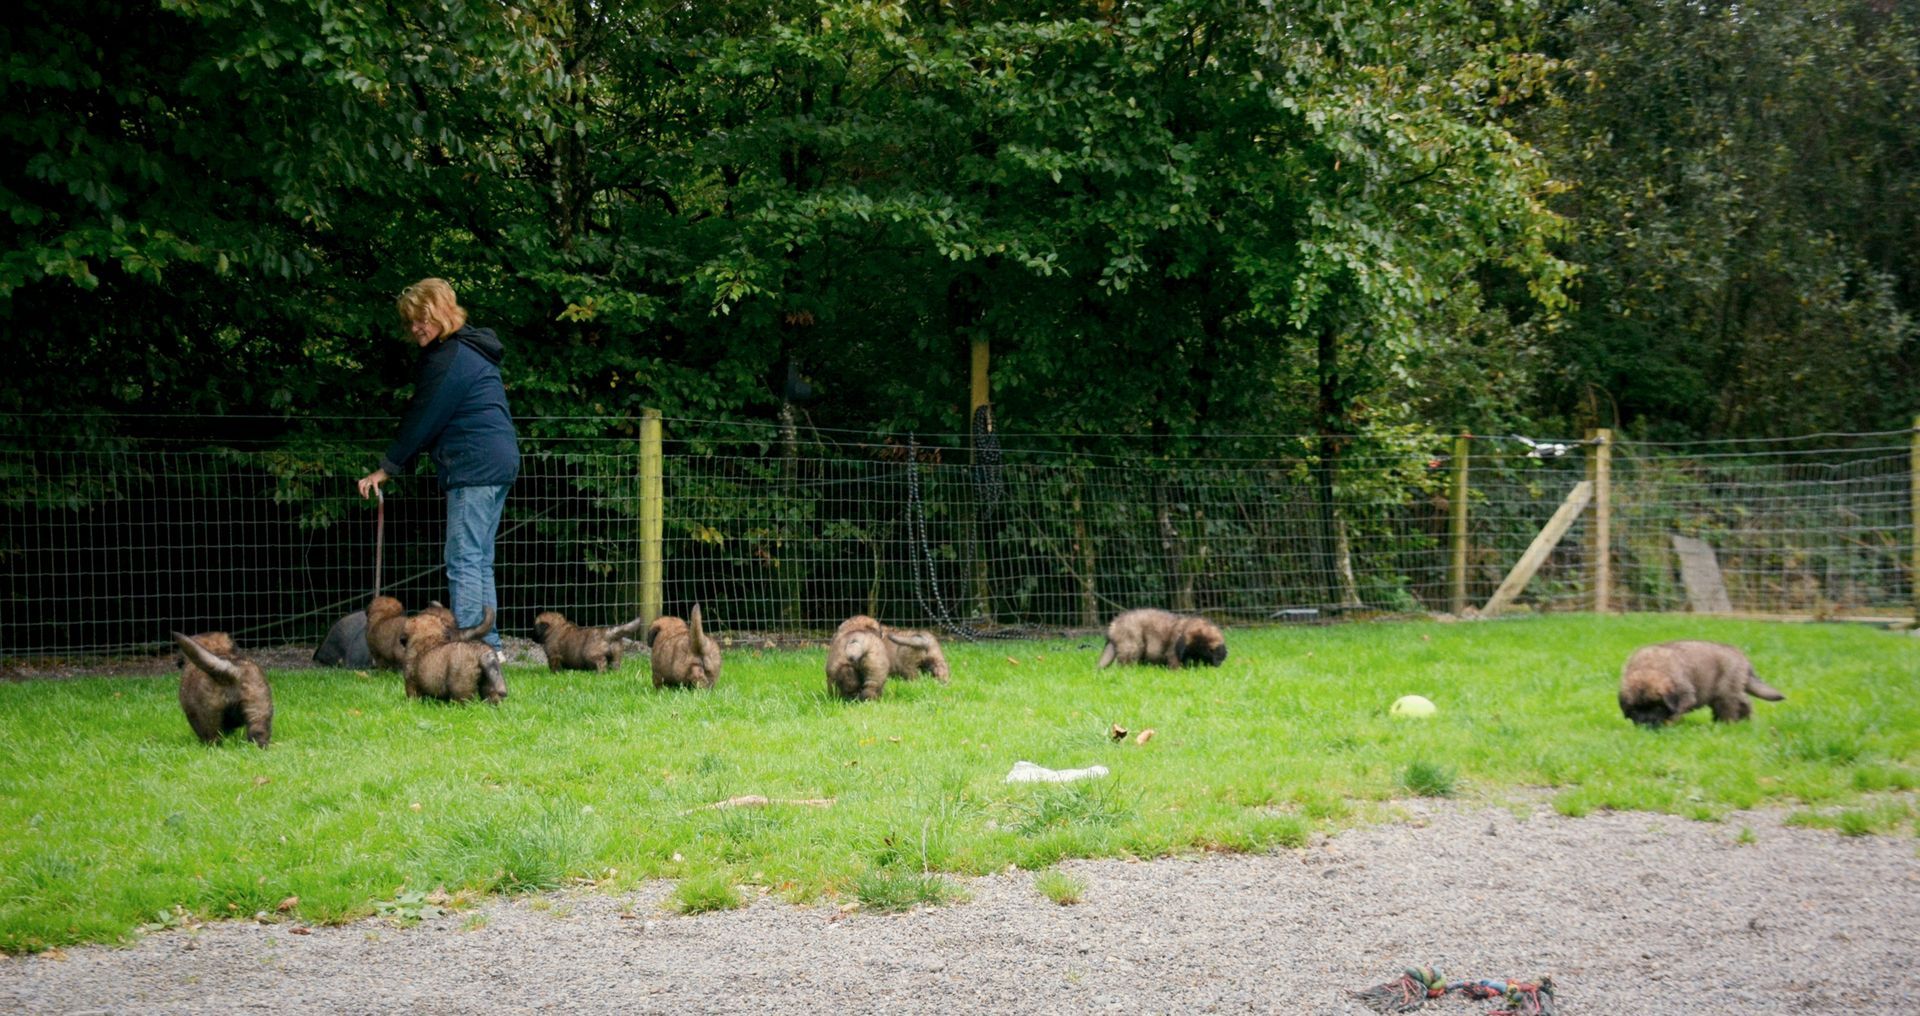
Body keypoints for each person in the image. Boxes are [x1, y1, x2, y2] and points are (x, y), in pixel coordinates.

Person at [357, 278, 519, 661]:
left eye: (420, 319)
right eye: (410, 322)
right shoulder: (470, 350)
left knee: (464, 559)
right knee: (478, 558)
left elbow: (423, 418)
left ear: (441, 313)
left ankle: (469, 652)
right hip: (497, 461)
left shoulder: (452, 358)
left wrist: (387, 468)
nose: (414, 329)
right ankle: (490, 647)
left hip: (474, 465)